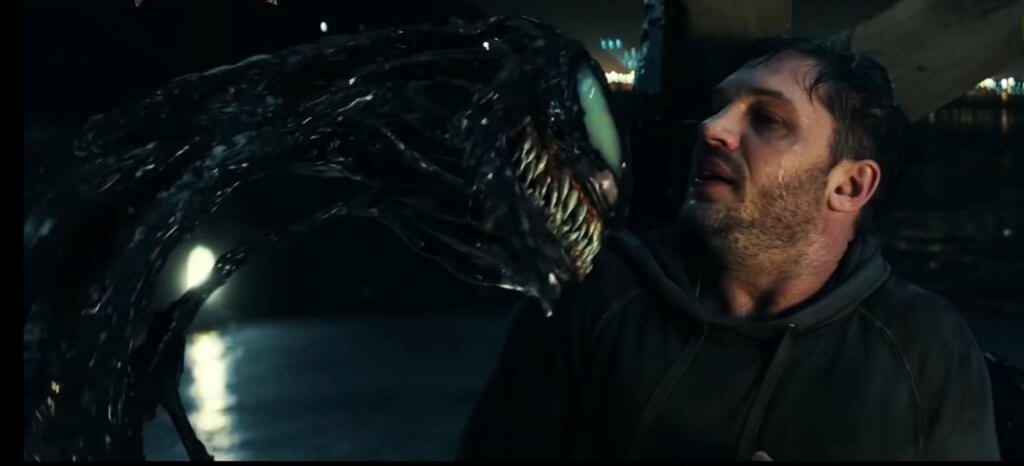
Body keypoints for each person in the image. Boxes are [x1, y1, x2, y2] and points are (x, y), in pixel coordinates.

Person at [456, 37, 1002, 460]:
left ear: (849, 186)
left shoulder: (923, 346)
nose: (711, 128)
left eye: (767, 119)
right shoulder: (595, 297)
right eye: (718, 106)